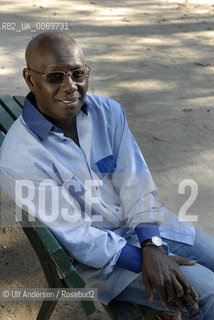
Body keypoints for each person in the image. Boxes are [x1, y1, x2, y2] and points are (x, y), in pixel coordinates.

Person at [0, 32, 214, 320]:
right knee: (208, 295)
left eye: (78, 73)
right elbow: (79, 237)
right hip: (102, 264)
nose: (70, 86)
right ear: (30, 79)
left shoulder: (108, 112)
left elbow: (136, 185)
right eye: (55, 77)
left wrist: (152, 246)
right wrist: (148, 262)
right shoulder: (22, 156)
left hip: (148, 228)